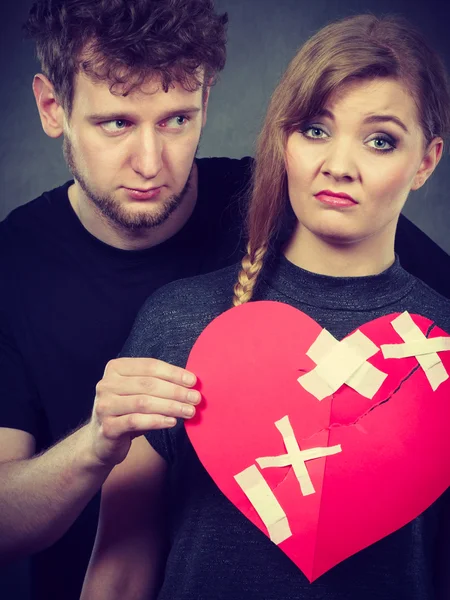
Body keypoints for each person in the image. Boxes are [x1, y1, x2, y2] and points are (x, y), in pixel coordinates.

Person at [0, 1, 448, 599]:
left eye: (177, 120)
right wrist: (96, 442)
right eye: (116, 123)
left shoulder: (302, 200)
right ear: (54, 109)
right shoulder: (44, 273)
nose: (151, 162)